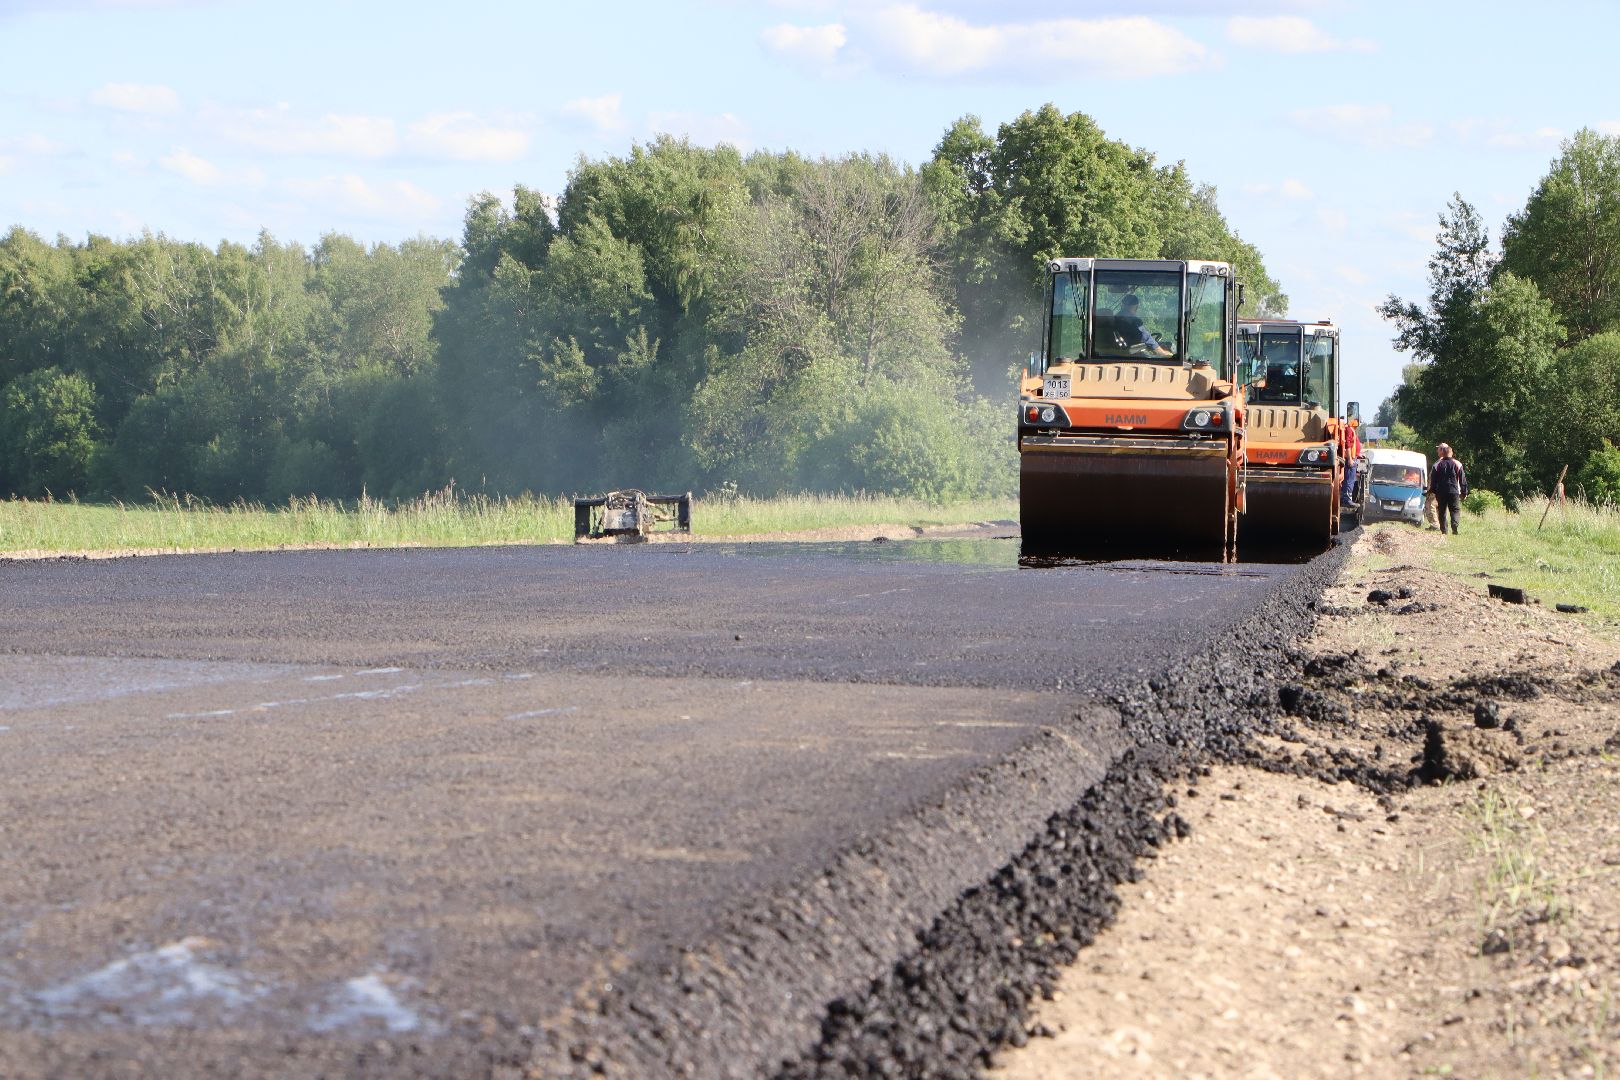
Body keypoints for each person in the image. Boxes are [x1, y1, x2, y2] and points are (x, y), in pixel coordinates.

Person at [1429, 442, 1468, 535]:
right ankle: (1454, 525)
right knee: (1455, 509)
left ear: (1442, 453)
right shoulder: (1457, 464)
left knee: (1442, 511)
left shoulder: (1437, 465)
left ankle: (1444, 531)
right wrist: (1464, 492)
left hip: (1441, 492)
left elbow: (1433, 480)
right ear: (1451, 453)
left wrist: (1432, 491)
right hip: (1454, 491)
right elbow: (1462, 480)